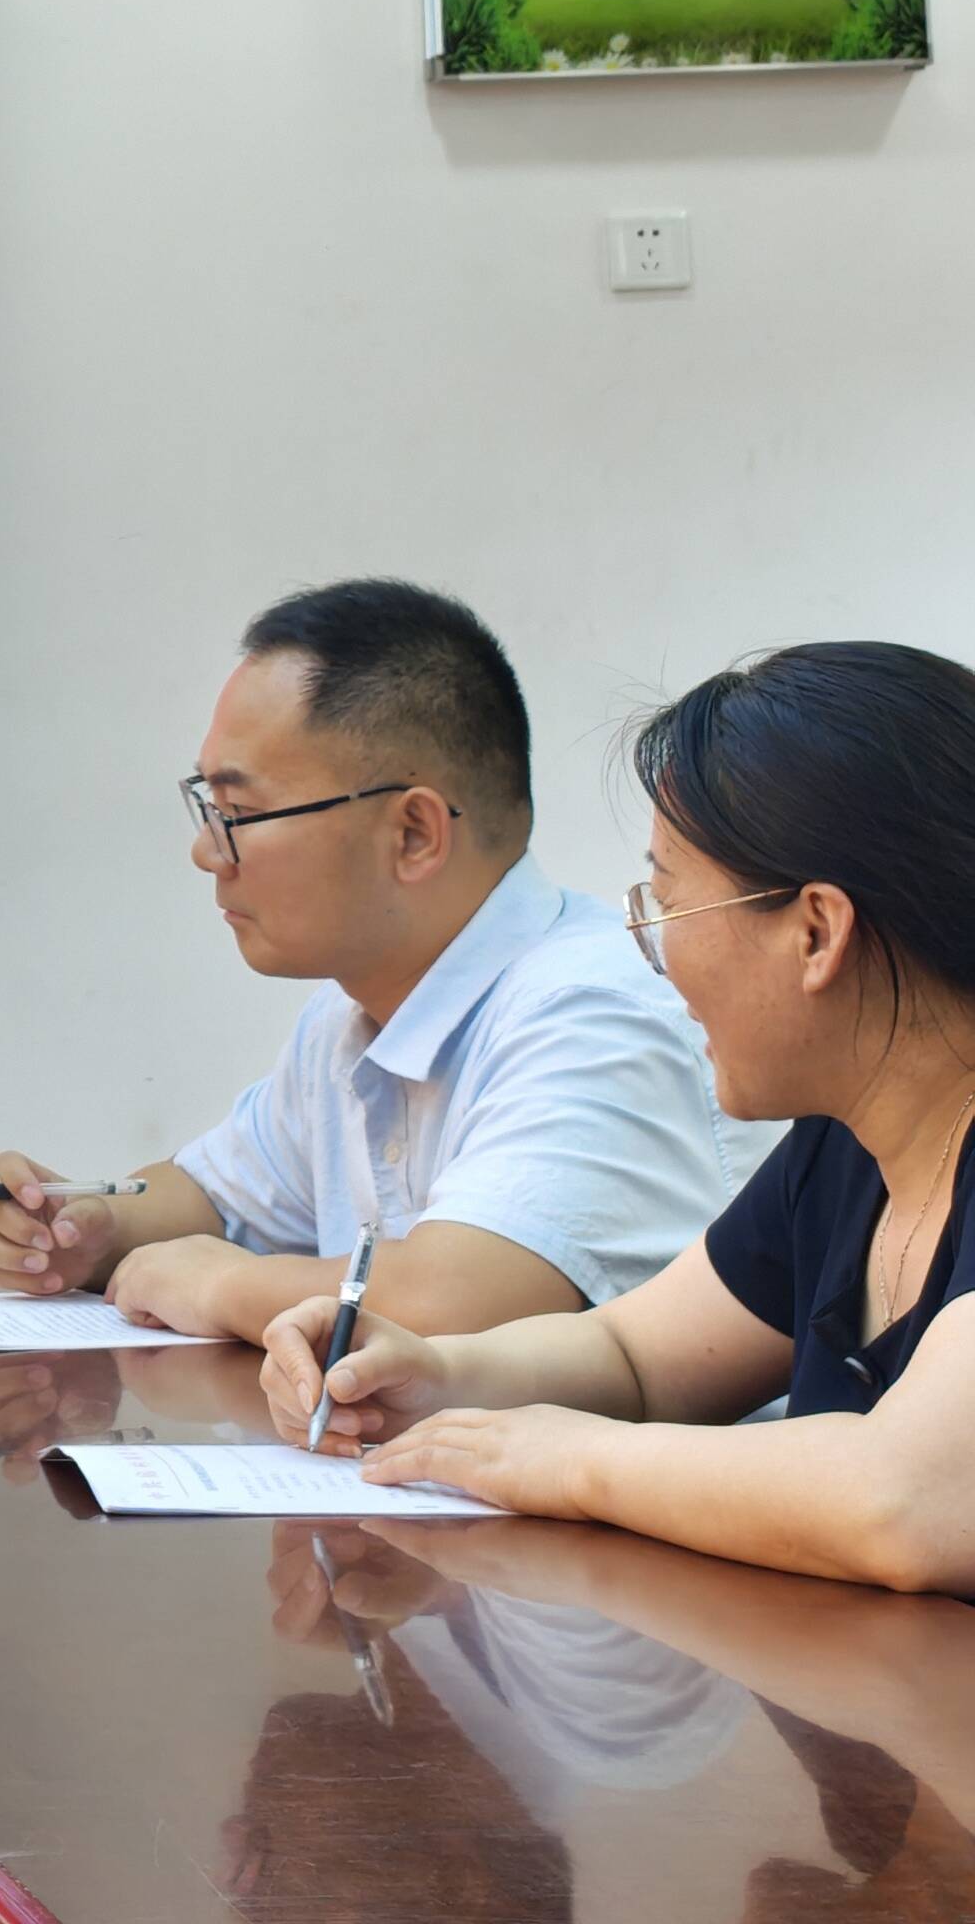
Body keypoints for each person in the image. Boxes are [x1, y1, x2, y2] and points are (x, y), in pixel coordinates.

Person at [267, 641, 975, 1597]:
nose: (648, 947)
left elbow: (909, 1502)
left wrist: (569, 1460)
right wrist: (432, 1376)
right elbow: (635, 1358)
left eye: (668, 903)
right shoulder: (845, 1149)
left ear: (816, 932)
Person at [0, 579, 731, 1346]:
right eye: (209, 809)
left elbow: (463, 1299)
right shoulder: (347, 1018)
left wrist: (223, 1286)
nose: (206, 852)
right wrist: (89, 1229)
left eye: (239, 814)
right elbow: (215, 1198)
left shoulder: (595, 1005)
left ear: (413, 834)